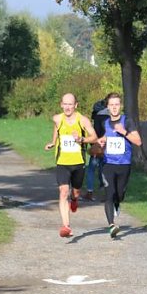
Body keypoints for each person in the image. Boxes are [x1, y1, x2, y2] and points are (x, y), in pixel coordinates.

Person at [44, 93, 97, 238]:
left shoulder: (82, 120)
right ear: (61, 105)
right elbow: (57, 128)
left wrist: (81, 139)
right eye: (65, 104)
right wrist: (53, 142)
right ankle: (66, 226)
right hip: (62, 162)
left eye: (70, 104)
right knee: (63, 192)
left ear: (76, 105)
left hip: (78, 163)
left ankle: (74, 200)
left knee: (75, 192)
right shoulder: (57, 118)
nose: (67, 107)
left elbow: (94, 137)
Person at [97, 92, 142, 239]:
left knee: (119, 194)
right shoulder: (105, 123)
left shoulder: (127, 121)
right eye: (111, 105)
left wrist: (124, 132)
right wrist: (102, 141)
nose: (114, 107)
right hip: (108, 164)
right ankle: (111, 225)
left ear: (121, 106)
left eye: (117, 104)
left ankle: (118, 202)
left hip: (124, 164)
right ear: (107, 107)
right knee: (109, 193)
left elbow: (138, 141)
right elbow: (105, 137)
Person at [84, 97, 109, 201]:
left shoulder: (97, 118)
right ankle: (107, 193)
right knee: (105, 170)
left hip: (97, 147)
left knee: (91, 170)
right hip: (108, 147)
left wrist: (92, 144)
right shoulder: (111, 117)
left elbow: (94, 134)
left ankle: (89, 192)